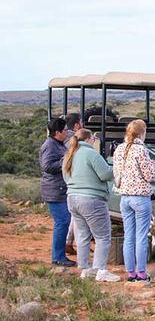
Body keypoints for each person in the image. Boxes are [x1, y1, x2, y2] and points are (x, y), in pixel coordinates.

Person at [62, 129, 119, 282]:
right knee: (102, 236)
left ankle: (85, 269)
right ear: (88, 139)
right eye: (94, 137)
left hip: (72, 198)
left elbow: (66, 177)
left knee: (82, 235)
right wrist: (117, 168)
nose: (95, 140)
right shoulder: (91, 153)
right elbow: (105, 174)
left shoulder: (70, 154)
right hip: (92, 199)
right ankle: (100, 270)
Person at [113, 119, 155, 282]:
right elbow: (149, 176)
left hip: (125, 198)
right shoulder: (141, 150)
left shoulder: (120, 149)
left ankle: (130, 273)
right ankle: (142, 273)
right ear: (142, 133)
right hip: (140, 197)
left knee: (128, 235)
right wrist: (153, 165)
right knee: (141, 236)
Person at [39, 118, 76, 267]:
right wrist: (65, 161)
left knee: (63, 222)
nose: (67, 133)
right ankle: (58, 257)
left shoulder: (57, 144)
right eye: (65, 130)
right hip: (54, 190)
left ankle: (59, 256)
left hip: (59, 189)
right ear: (57, 132)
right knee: (62, 222)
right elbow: (47, 166)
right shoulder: (49, 146)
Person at [64, 113, 83, 255]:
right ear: (77, 125)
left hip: (68, 179)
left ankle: (68, 242)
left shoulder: (64, 138)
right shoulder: (74, 139)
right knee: (75, 216)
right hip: (74, 180)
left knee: (73, 215)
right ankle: (69, 242)